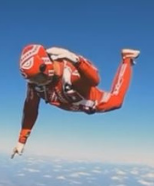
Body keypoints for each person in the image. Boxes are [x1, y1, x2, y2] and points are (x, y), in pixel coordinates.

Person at [10, 45, 140, 159]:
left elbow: (94, 80)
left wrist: (77, 60)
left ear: (46, 65)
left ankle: (126, 59)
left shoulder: (68, 73)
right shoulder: (36, 86)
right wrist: (21, 140)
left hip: (91, 101)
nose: (38, 82)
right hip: (72, 103)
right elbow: (30, 110)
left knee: (117, 101)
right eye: (32, 80)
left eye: (38, 78)